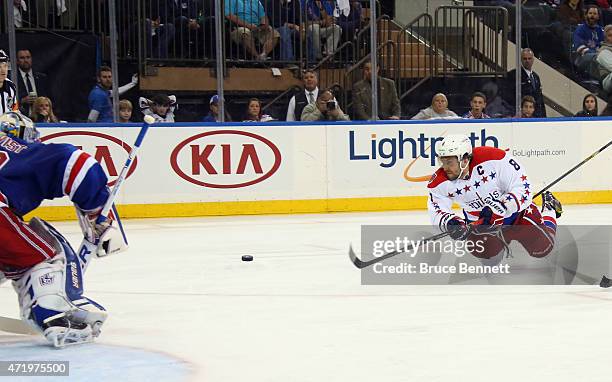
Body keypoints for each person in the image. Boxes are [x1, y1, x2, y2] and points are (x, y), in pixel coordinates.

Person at [0, 111, 126, 347]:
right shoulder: (22, 152)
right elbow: (75, 162)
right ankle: (53, 315)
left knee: (8, 256)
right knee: (41, 257)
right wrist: (97, 211)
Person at [427, 134, 562, 261]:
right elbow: (437, 210)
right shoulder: (439, 182)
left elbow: (522, 187)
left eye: (449, 162)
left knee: (542, 249)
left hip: (516, 216)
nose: (445, 167)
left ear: (464, 160)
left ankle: (549, 209)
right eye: (442, 161)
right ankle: (499, 242)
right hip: (481, 225)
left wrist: (501, 207)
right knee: (487, 258)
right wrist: (451, 223)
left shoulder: (494, 158)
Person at [506, 48, 546, 118]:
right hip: (521, 117)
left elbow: (540, 99)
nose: (527, 61)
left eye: (529, 58)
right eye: (525, 59)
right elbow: (509, 98)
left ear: (533, 60)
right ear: (521, 60)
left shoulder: (536, 76)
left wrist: (544, 117)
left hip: (536, 116)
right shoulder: (513, 75)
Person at [16, 49, 50, 117]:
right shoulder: (13, 78)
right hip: (21, 119)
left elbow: (49, 98)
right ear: (17, 61)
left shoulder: (42, 78)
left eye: (28, 57)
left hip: (41, 119)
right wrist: (22, 101)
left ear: (31, 59)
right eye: (22, 58)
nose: (26, 60)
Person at [573, 5, 605, 78]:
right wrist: (596, 53)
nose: (592, 16)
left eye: (594, 14)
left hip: (598, 58)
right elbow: (579, 47)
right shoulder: (580, 28)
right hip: (582, 58)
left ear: (598, 17)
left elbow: (603, 45)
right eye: (590, 13)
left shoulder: (601, 31)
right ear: (586, 15)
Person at [0, 50, 18, 116]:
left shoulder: (11, 86)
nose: (3, 70)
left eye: (5, 66)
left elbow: (15, 109)